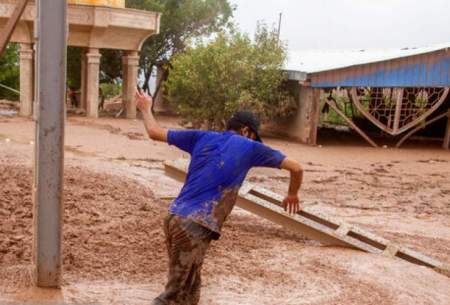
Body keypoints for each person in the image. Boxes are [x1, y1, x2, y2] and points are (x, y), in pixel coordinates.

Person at [135, 90, 303, 305]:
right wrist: (292, 194)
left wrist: (146, 108)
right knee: (173, 295)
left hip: (175, 218)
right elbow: (297, 167)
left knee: (190, 287)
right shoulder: (250, 146)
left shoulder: (201, 137)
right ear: (246, 131)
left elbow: (154, 132)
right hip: (194, 224)